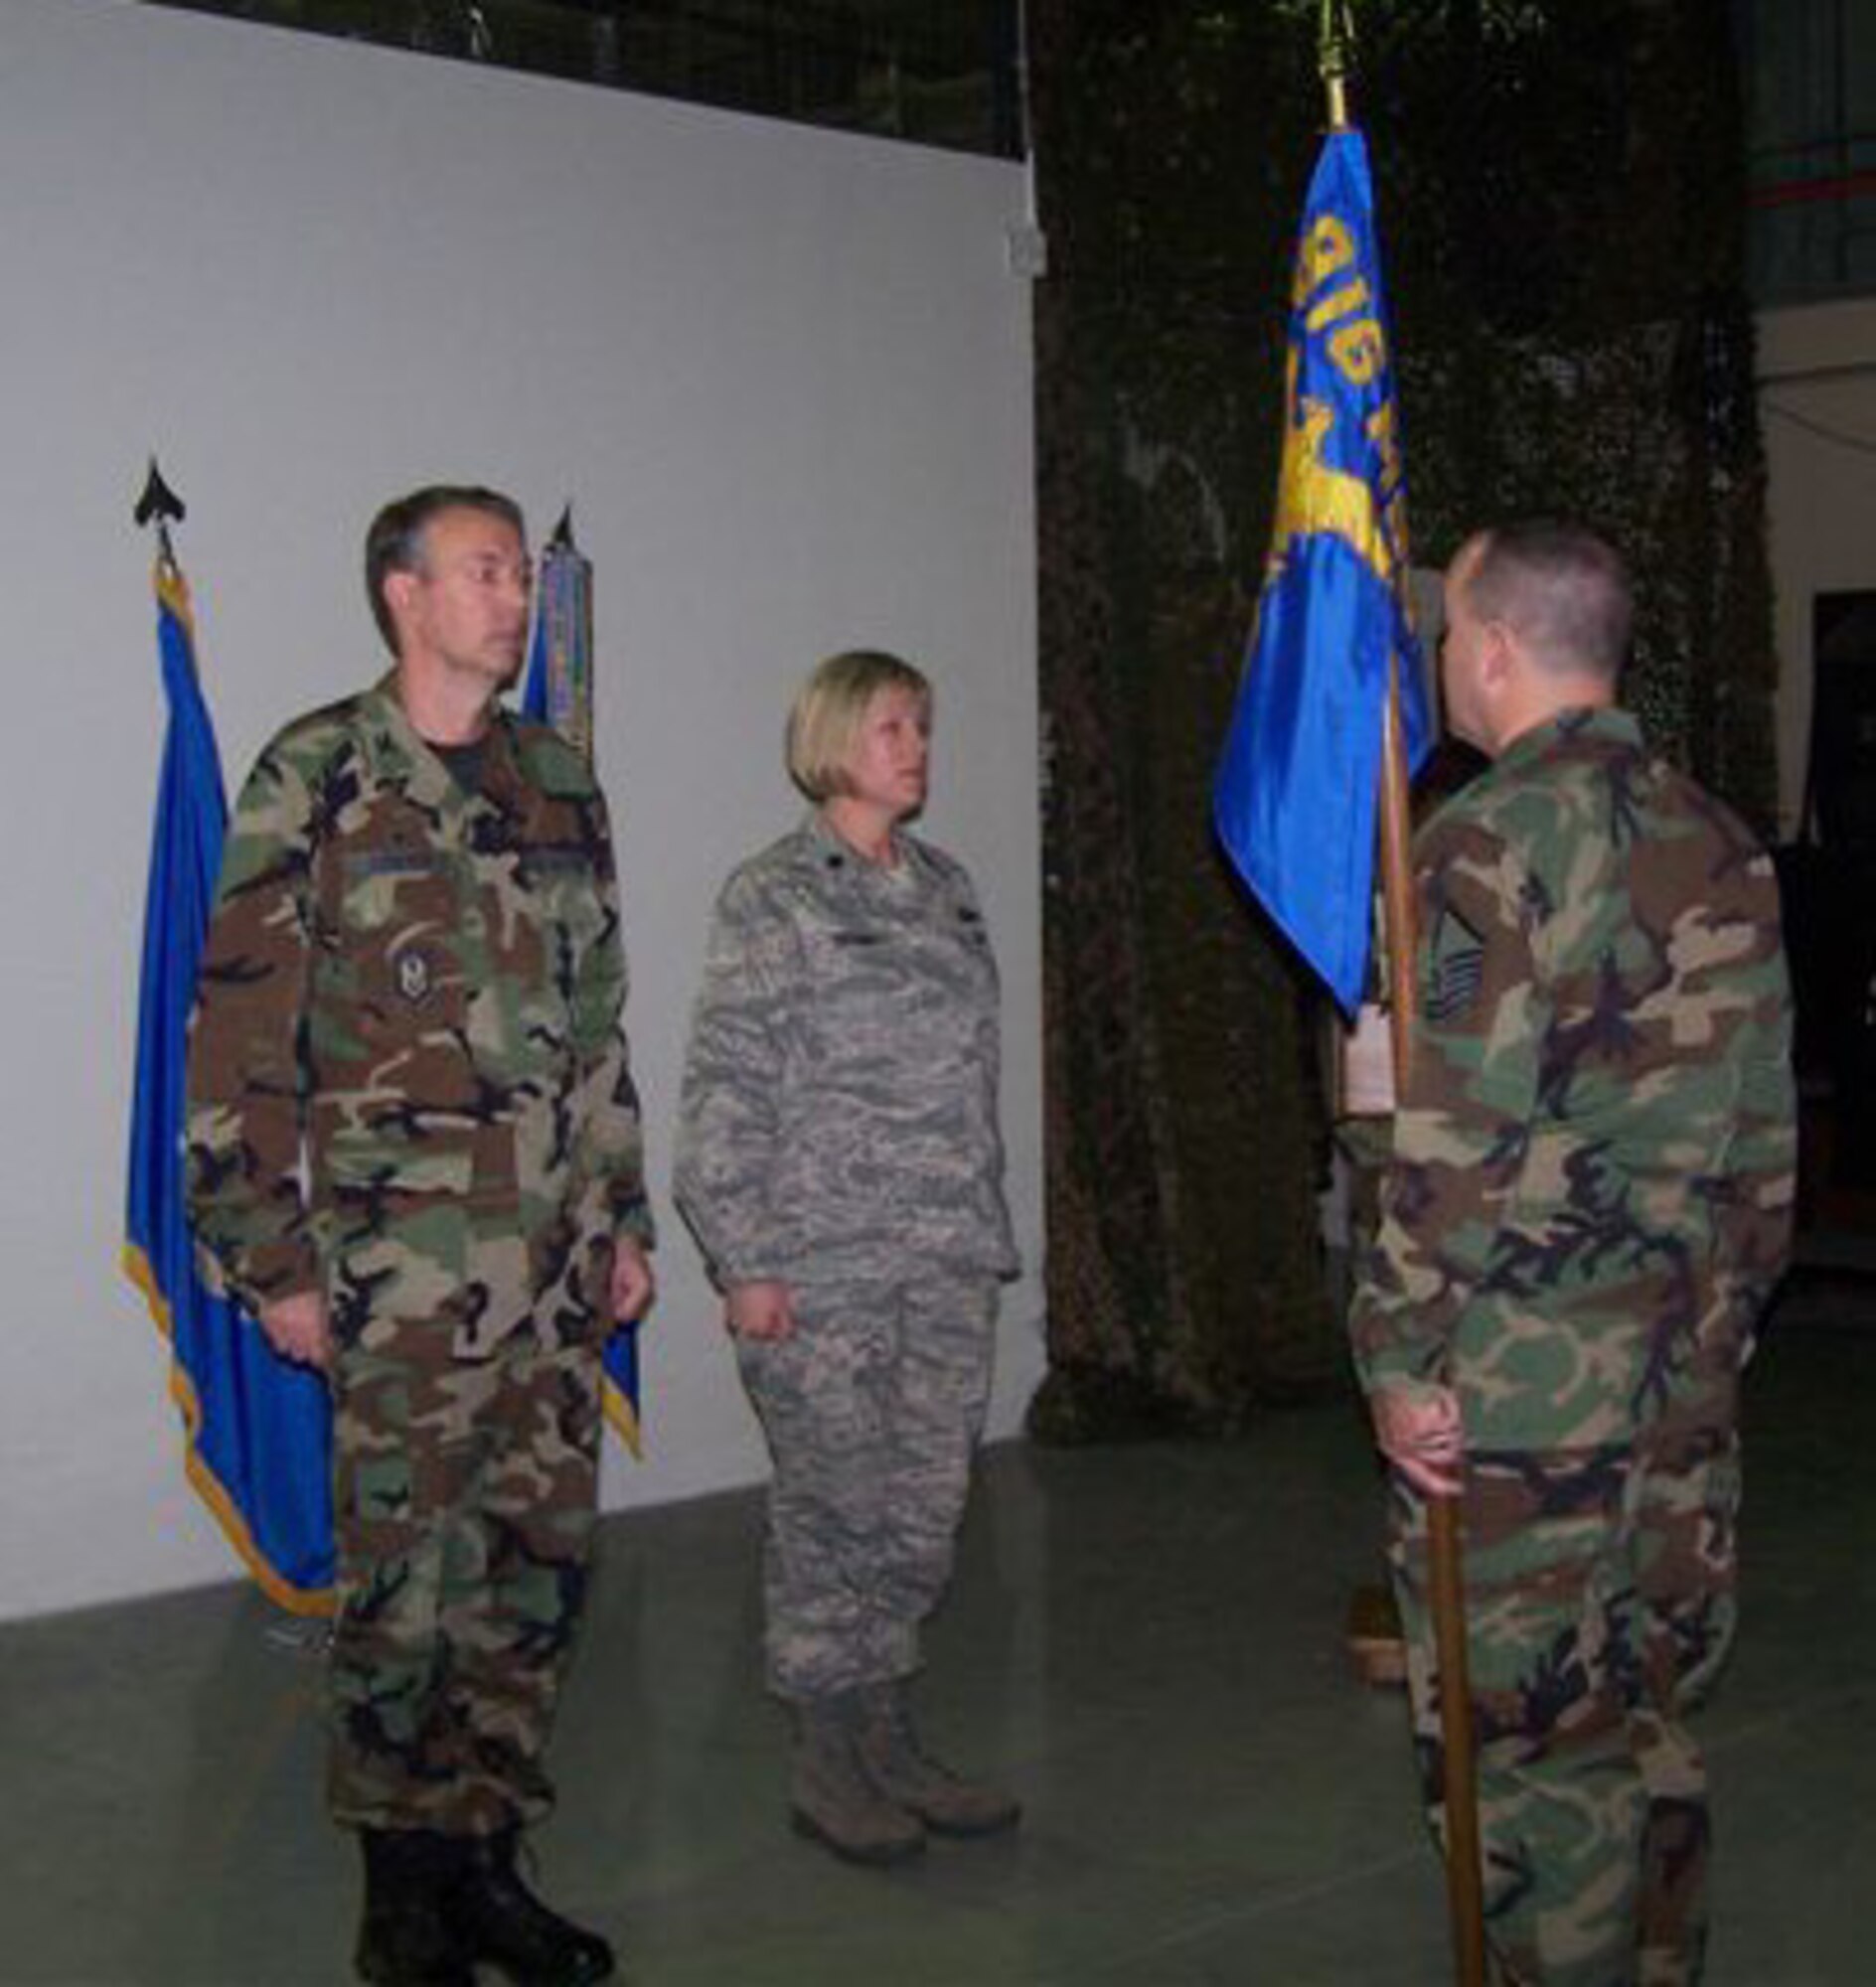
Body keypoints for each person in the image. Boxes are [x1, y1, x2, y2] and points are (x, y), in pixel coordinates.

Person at [187, 485, 653, 1987]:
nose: (513, 597)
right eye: (484, 570)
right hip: (401, 1277)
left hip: (556, 1269)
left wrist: (623, 1216)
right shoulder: (317, 773)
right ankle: (399, 1893)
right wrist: (268, 1258)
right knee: (405, 1592)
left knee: (529, 1579)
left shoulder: (556, 779)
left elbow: (599, 1028)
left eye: (517, 572)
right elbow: (239, 1035)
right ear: (404, 593)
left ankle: (488, 1861)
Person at [1349, 521, 1797, 1985]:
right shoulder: (1720, 837)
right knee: (1650, 1708)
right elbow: (1766, 1141)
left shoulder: (1485, 843)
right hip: (1681, 1373)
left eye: (1447, 632)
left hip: (1521, 1395)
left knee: (1532, 1746)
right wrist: (1717, 1328)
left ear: (1490, 648)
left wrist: (1399, 1354)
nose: (1439, 658)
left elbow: (1452, 1141)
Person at [673, 650, 1021, 1866]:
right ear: (831, 741)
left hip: (944, 1256)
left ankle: (889, 1731)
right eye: (889, 727)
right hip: (822, 1264)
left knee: (921, 1509)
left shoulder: (946, 887)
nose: (915, 747)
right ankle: (827, 1752)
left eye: (922, 725)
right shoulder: (773, 896)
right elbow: (725, 1086)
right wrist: (746, 1259)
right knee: (833, 1508)